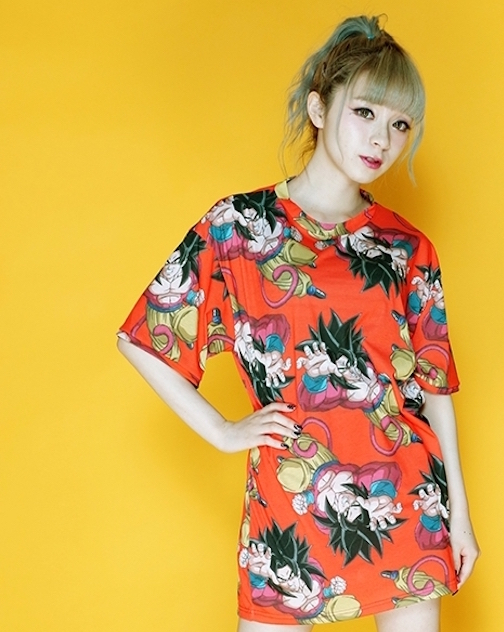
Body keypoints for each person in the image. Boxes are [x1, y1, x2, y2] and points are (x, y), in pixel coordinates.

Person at [117, 15, 480, 632]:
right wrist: (223, 431)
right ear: (318, 107)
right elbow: (144, 338)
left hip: (404, 503)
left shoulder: (406, 248)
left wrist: (460, 517)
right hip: (286, 510)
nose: (382, 139)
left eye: (400, 124)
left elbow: (434, 390)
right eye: (364, 112)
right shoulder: (239, 227)